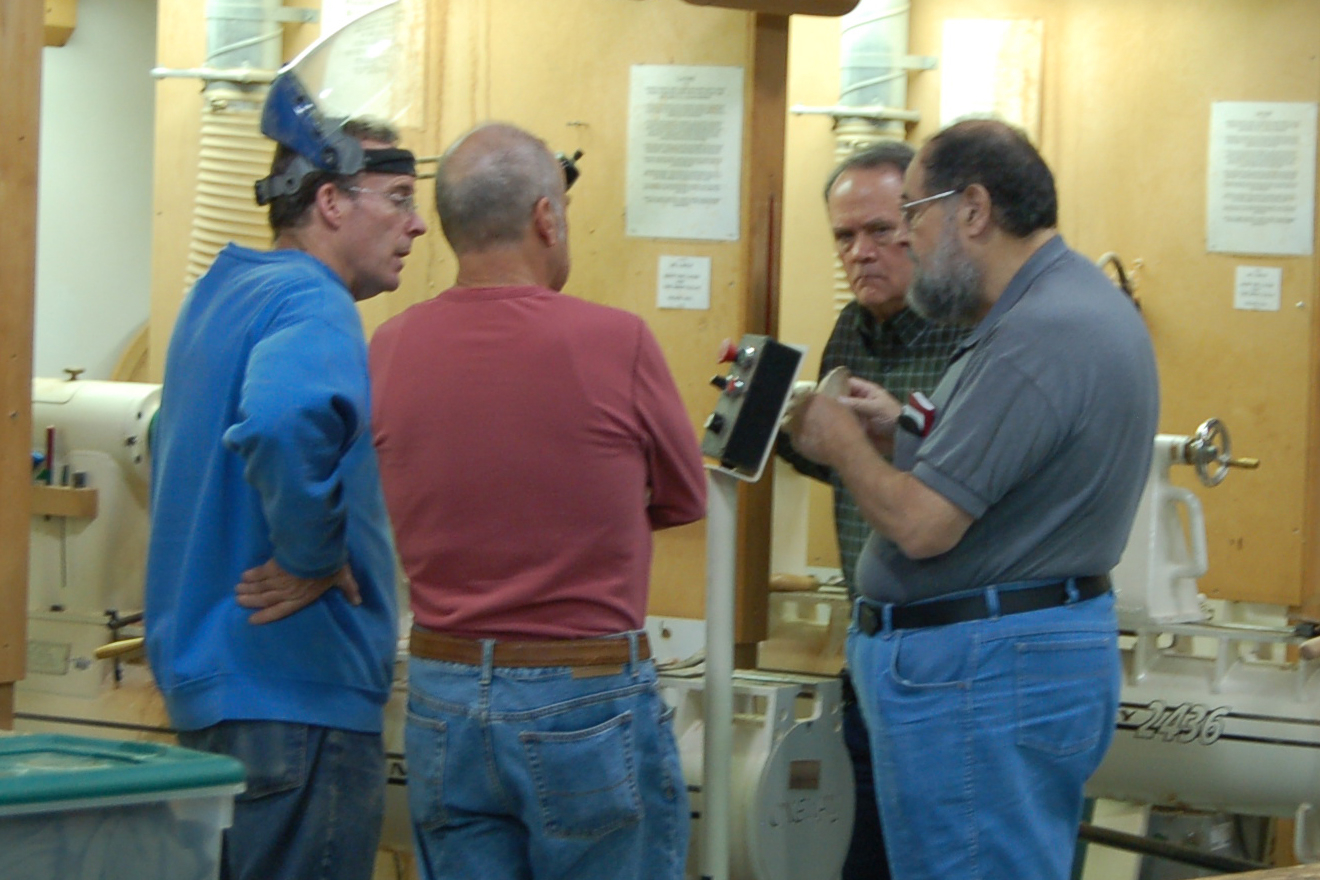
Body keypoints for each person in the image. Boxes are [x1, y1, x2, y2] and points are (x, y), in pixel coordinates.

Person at [785, 118, 1159, 880]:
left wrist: (841, 441)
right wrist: (900, 430)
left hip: (984, 680)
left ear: (974, 210)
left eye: (915, 214)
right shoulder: (1068, 303)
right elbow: (1015, 465)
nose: (911, 241)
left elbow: (923, 526)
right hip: (1002, 668)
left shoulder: (1037, 333)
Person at [369, 122, 707, 880]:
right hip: (583, 695)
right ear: (546, 218)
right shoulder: (617, 341)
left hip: (440, 695)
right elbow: (683, 498)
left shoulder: (387, 349)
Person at [144, 113, 426, 880]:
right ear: (332, 202)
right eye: (398, 197)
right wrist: (312, 552)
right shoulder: (313, 301)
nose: (418, 223)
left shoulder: (218, 297)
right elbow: (279, 419)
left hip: (218, 699)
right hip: (299, 702)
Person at [778, 140, 966, 880]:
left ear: (928, 223)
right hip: (869, 651)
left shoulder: (973, 336)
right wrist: (787, 427)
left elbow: (977, 488)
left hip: (955, 657)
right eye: (844, 237)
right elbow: (834, 466)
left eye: (882, 231)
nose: (861, 254)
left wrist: (903, 432)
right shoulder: (850, 331)